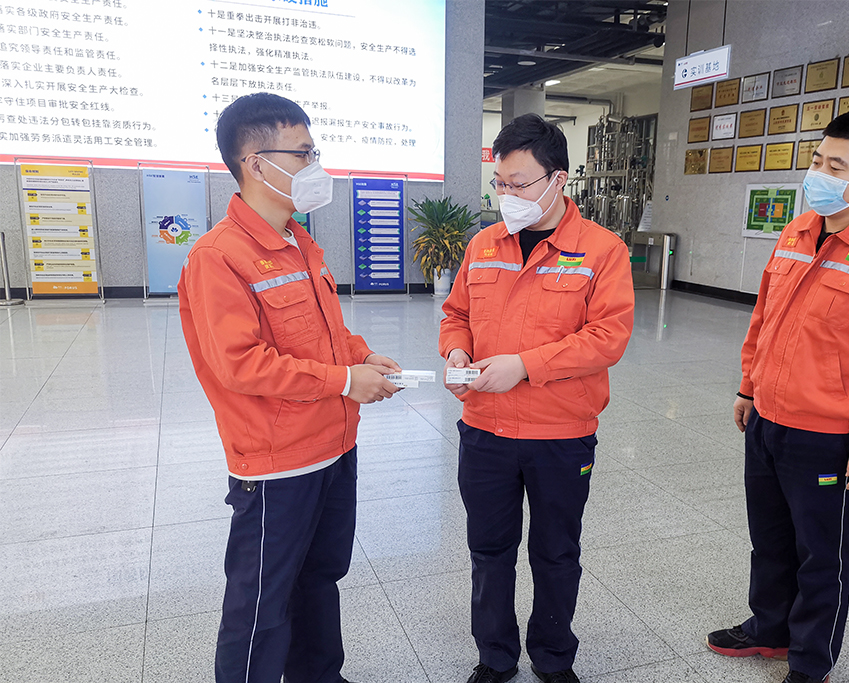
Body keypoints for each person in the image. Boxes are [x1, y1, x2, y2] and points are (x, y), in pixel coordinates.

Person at [177, 92, 402, 683]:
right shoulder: (218, 257)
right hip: (277, 464)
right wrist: (345, 380)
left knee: (320, 579)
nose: (314, 165)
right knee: (261, 603)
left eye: (314, 152)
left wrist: (360, 356)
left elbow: (325, 332)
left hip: (334, 446)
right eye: (303, 154)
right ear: (255, 163)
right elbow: (241, 364)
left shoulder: (299, 242)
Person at [705, 111, 849, 683]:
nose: (819, 175)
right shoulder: (799, 229)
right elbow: (765, 317)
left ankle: (811, 662)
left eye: (836, 167)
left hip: (829, 435)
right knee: (769, 540)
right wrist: (748, 386)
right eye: (816, 161)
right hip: (767, 420)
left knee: (820, 555)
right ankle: (770, 629)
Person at [439, 114, 635, 683]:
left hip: (560, 435)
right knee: (489, 551)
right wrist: (456, 352)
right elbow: (456, 314)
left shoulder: (601, 250)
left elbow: (608, 337)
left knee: (555, 553)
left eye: (520, 183)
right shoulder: (483, 244)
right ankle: (495, 656)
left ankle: (553, 657)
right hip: (486, 430)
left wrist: (524, 366)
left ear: (558, 179)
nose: (507, 195)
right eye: (499, 183)